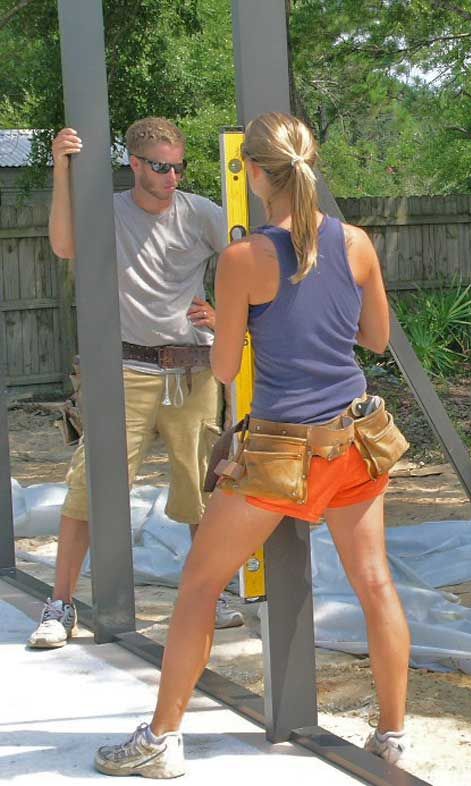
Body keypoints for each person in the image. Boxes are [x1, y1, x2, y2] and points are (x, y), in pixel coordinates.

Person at [93, 112, 412, 778]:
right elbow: (377, 337)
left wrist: (228, 321)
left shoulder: (242, 259)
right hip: (355, 441)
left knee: (200, 585)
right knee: (376, 584)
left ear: (255, 174)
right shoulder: (355, 243)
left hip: (278, 453)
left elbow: (224, 369)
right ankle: (392, 736)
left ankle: (162, 739)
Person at [31, 117, 243, 651]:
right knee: (91, 486)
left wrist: (226, 317)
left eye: (179, 167)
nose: (172, 177)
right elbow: (62, 244)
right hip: (124, 369)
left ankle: (209, 594)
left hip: (191, 369)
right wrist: (61, 168)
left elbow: (251, 263)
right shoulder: (111, 212)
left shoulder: (201, 214)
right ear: (135, 164)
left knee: (202, 486)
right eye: (161, 167)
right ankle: (60, 603)